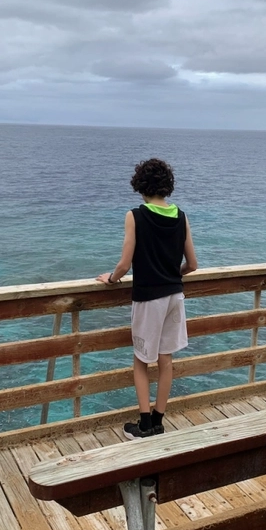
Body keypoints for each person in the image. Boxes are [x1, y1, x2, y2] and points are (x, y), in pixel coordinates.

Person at [97, 158, 198, 439]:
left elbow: (124, 264)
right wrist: (171, 273)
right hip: (174, 295)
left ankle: (143, 425)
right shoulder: (181, 216)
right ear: (167, 186)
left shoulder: (136, 216)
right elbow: (192, 264)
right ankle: (158, 420)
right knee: (165, 359)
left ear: (140, 185)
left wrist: (111, 279)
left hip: (147, 298)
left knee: (141, 360)